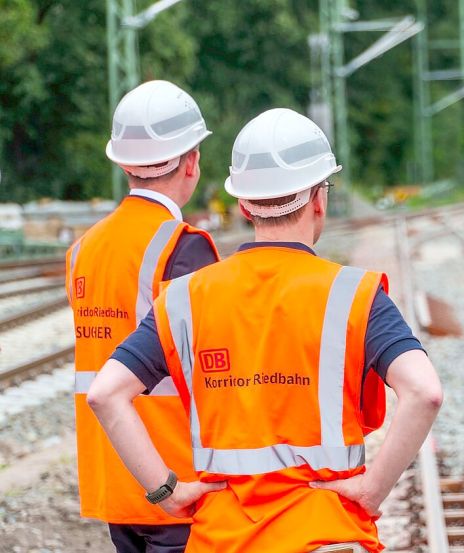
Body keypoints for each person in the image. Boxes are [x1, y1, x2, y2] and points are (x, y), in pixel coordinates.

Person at [87, 108, 443, 553]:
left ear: (243, 205)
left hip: (222, 539)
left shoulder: (183, 298)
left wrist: (167, 492)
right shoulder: (356, 295)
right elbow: (424, 392)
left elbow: (105, 394)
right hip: (324, 534)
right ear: (319, 199)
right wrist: (372, 490)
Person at [66, 80, 220, 552]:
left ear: (123, 164)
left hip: (114, 477)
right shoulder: (183, 247)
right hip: (176, 480)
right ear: (191, 162)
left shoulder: (83, 248)